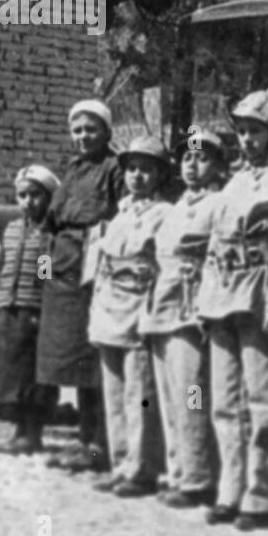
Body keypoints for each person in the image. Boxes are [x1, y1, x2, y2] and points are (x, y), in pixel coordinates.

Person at [199, 88, 268, 530]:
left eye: (255, 132)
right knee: (224, 399)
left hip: (258, 291)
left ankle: (263, 494)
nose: (246, 140)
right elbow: (214, 243)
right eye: (241, 131)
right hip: (223, 292)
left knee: (263, 398)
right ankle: (231, 488)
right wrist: (204, 299)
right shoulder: (234, 182)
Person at [141, 130, 227, 509]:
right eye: (188, 158)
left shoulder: (220, 205)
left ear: (218, 165)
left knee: (193, 395)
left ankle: (198, 477)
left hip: (192, 314)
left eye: (202, 158)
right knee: (171, 396)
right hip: (163, 308)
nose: (193, 165)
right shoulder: (175, 208)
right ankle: (177, 471)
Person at [39, 99, 123, 473]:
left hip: (93, 273)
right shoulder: (72, 171)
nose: (83, 136)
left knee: (92, 363)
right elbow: (49, 226)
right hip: (61, 277)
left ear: (106, 132)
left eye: (91, 129)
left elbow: (122, 218)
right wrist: (44, 276)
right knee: (64, 361)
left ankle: (97, 447)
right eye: (77, 130)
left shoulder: (114, 168)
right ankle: (82, 440)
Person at [89, 135, 172, 497]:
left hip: (139, 305)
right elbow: (103, 264)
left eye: (147, 170)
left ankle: (141, 467)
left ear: (159, 175)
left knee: (140, 392)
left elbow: (163, 265)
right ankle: (120, 462)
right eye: (133, 169)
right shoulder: (119, 215)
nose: (138, 177)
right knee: (115, 391)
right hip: (109, 307)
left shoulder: (165, 214)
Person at [0, 163, 62, 456]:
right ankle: (18, 430)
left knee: (33, 376)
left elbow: (44, 275)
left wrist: (39, 308)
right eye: (22, 195)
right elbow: (6, 270)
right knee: (11, 375)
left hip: (32, 310)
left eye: (35, 195)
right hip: (9, 308)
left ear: (48, 197)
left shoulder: (48, 234)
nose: (28, 201)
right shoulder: (13, 230)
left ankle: (31, 433)